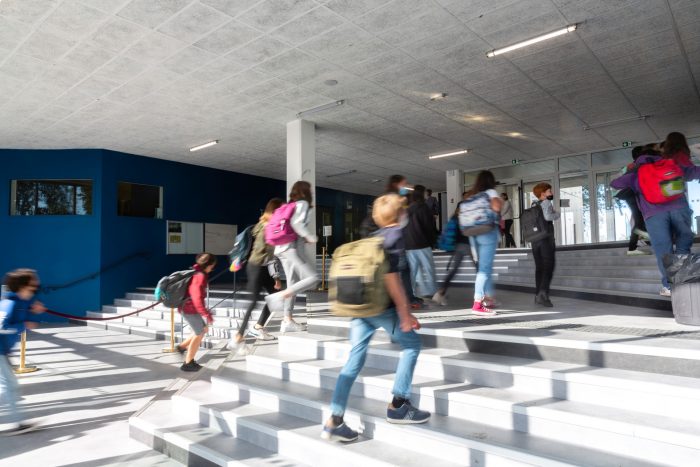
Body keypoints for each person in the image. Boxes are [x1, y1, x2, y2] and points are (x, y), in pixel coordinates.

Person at [321, 194, 429, 442]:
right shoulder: (396, 237)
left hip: (360, 308)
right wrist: (405, 313)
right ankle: (399, 405)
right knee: (412, 345)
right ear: (402, 215)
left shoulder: (373, 238)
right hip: (382, 308)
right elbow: (392, 278)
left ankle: (335, 420)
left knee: (353, 360)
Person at [611, 146, 700, 296]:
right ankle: (683, 281)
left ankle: (670, 286)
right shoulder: (672, 164)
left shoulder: (636, 171)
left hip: (654, 215)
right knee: (683, 246)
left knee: (663, 251)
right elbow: (695, 171)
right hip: (680, 209)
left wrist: (627, 169)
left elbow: (615, 184)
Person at [228, 198, 284, 355]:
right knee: (253, 302)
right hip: (258, 268)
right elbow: (269, 256)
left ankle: (257, 327)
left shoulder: (260, 224)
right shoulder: (269, 228)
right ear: (275, 212)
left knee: (274, 297)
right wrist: (277, 277)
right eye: (281, 211)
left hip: (259, 267)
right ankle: (238, 336)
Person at [265, 181, 319, 332]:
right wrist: (311, 237)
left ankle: (287, 320)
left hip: (281, 249)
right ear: (305, 191)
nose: (312, 192)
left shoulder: (290, 205)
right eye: (310, 189)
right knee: (313, 278)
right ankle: (281, 296)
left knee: (292, 283)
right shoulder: (302, 204)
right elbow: (297, 224)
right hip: (291, 248)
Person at [0, 269, 45, 435]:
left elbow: (26, 318)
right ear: (24, 286)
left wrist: (34, 312)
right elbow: (1, 327)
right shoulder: (8, 303)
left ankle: (19, 422)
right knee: (11, 385)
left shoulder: (21, 302)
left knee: (9, 385)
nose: (37, 285)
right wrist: (23, 325)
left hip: (3, 351)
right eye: (34, 282)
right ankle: (19, 423)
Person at [462, 171, 502, 315]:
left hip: (474, 234)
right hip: (487, 232)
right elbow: (497, 207)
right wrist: (498, 200)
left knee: (485, 268)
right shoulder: (490, 192)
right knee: (484, 270)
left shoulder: (473, 195)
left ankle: (488, 298)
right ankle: (477, 304)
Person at [178, 253, 217, 372]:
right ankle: (188, 363)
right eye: (212, 266)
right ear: (208, 265)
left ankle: (182, 347)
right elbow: (197, 298)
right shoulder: (200, 276)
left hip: (190, 308)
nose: (213, 268)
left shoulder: (198, 273)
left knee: (202, 330)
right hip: (189, 309)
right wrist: (207, 314)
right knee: (199, 333)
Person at [432, 207, 475, 306]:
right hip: (466, 246)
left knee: (454, 270)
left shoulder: (454, 218)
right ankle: (484, 295)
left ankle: (440, 293)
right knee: (480, 270)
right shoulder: (465, 218)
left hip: (458, 247)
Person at [403, 184, 438, 303]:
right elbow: (429, 227)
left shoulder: (407, 209)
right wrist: (432, 242)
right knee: (428, 269)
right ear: (422, 194)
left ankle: (411, 294)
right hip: (422, 244)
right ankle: (431, 292)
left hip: (409, 245)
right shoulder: (424, 208)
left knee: (412, 272)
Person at [614, 146, 650, 256]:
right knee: (639, 220)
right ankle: (633, 247)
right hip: (632, 194)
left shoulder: (629, 166)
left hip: (629, 195)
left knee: (640, 220)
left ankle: (639, 243)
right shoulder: (637, 166)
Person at [530, 183, 559, 307]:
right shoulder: (546, 202)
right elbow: (548, 217)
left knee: (539, 268)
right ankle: (543, 294)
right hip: (546, 240)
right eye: (549, 191)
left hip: (535, 240)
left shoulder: (534, 204)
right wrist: (557, 214)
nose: (551, 193)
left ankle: (537, 295)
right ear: (543, 193)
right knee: (549, 266)